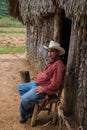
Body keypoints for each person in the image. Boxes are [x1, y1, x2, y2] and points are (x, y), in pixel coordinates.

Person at [18, 40, 66, 123]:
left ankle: (24, 115)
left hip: (44, 89)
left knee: (24, 99)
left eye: (52, 51)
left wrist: (45, 91)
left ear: (57, 52)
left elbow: (56, 84)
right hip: (38, 84)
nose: (49, 54)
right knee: (21, 88)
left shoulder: (58, 65)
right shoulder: (52, 62)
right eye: (48, 51)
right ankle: (30, 107)